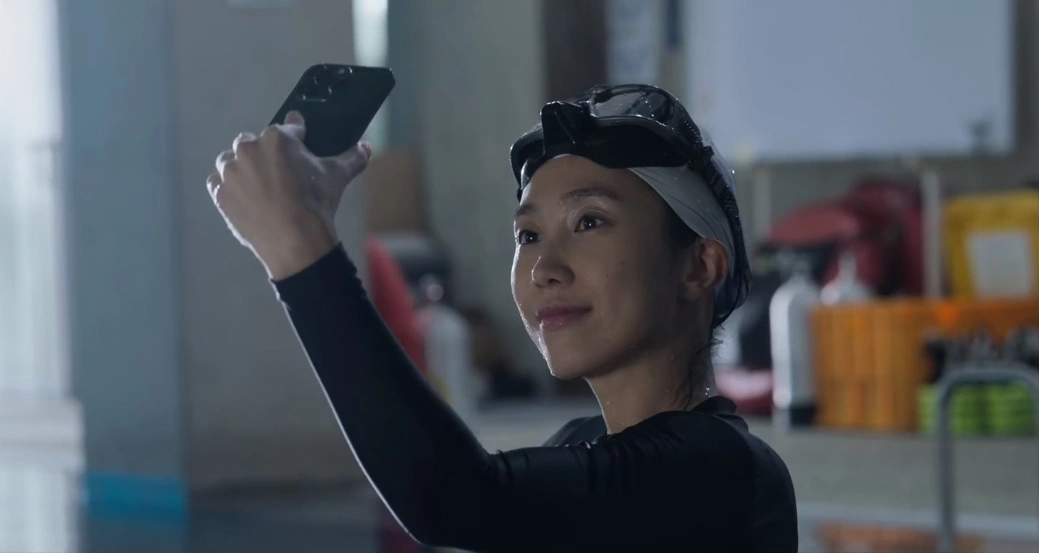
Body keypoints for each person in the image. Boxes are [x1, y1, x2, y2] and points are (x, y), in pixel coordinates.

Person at [207, 84, 798, 552]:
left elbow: (453, 497)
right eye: (528, 235)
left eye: (589, 221)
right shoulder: (578, 444)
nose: (544, 268)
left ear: (699, 266)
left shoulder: (729, 472)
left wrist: (301, 252)